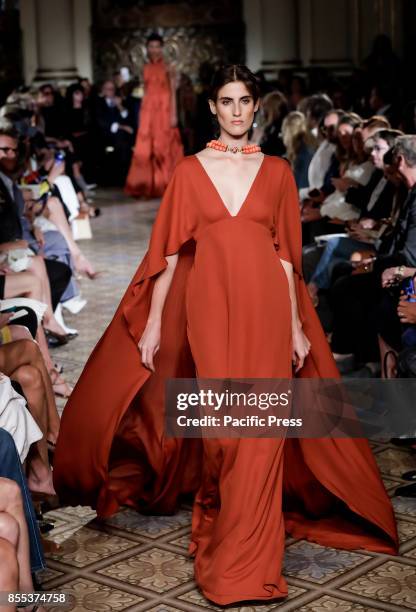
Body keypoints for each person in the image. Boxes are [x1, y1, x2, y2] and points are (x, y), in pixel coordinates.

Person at [54, 65, 398, 607]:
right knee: (223, 432)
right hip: (209, 312)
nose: (237, 110)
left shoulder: (280, 172)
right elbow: (166, 256)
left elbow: (287, 259)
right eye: (226, 101)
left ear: (256, 108)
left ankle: (245, 565)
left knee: (260, 432)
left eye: (245, 101)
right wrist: (150, 326)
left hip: (265, 311)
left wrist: (294, 326)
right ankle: (223, 516)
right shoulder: (190, 173)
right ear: (213, 108)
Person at [124, 32, 184, 198]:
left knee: (163, 146)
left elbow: (172, 91)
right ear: (147, 48)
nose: (154, 50)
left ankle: (164, 184)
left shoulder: (169, 67)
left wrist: (174, 114)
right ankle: (145, 185)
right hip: (147, 110)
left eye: (157, 46)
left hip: (164, 110)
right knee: (145, 147)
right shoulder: (144, 68)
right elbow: (141, 91)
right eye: (151, 46)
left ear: (162, 48)